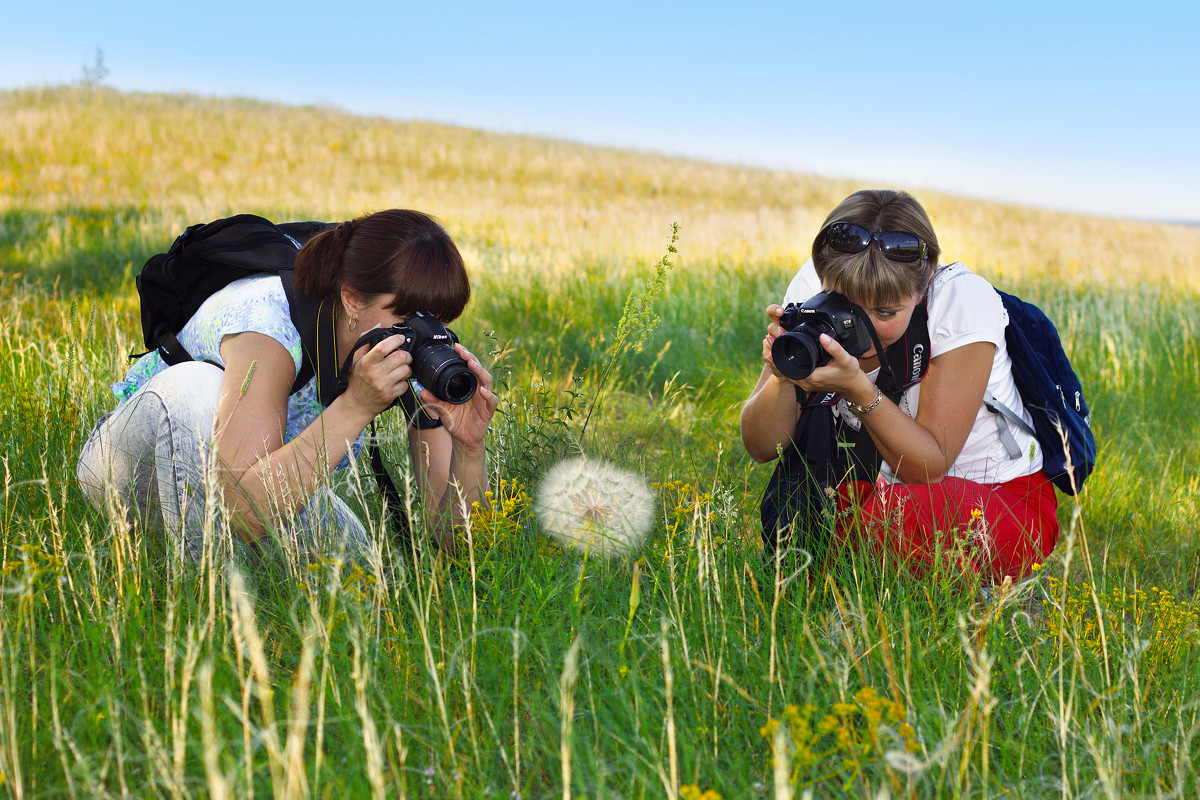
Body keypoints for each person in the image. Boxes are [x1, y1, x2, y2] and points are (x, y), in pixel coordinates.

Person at [77, 209, 499, 566]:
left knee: (362, 578)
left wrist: (469, 447)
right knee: (198, 385)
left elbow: (454, 546)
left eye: (437, 318)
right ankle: (207, 614)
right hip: (127, 468)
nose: (421, 333)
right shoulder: (268, 323)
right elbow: (241, 512)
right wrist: (354, 407)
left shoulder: (417, 353)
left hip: (256, 488)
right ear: (352, 300)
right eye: (404, 315)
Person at [740, 189, 1057, 581]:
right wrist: (784, 374)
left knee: (893, 520)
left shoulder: (960, 301)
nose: (868, 325)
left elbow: (929, 468)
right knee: (810, 539)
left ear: (923, 287)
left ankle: (970, 597)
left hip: (995, 497)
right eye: (850, 307)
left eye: (887, 311)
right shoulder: (812, 288)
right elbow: (759, 446)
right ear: (824, 279)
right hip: (875, 485)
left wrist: (859, 389)